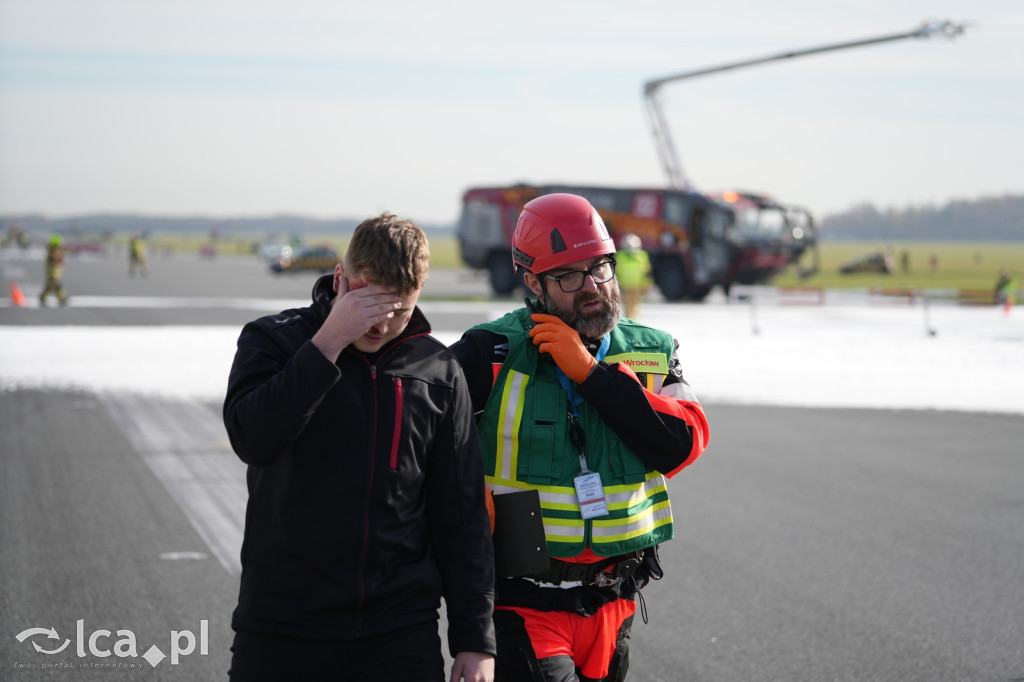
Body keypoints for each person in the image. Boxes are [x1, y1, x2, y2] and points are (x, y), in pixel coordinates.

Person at [223, 213, 496, 682]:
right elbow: (253, 438)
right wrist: (328, 342)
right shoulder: (273, 341)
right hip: (284, 622)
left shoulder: (437, 370)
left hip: (398, 629)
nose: (381, 324)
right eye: (369, 303)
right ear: (340, 280)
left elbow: (462, 513)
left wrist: (475, 640)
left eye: (400, 309)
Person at [450, 193, 710, 682]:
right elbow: (417, 441)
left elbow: (682, 443)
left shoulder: (652, 351)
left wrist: (592, 375)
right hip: (524, 605)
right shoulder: (490, 351)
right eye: (569, 275)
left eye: (600, 268)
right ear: (533, 283)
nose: (592, 286)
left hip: (614, 605)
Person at [614, 233, 653, 320]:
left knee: (635, 306)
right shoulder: (620, 256)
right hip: (625, 286)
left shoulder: (642, 256)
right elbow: (616, 272)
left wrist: (647, 285)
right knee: (627, 306)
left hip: (637, 286)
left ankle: (634, 321)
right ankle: (630, 321)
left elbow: (647, 272)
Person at [39, 234, 69, 306]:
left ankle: (43, 297)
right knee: (55, 284)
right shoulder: (53, 250)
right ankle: (61, 297)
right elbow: (55, 259)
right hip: (53, 270)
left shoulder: (53, 250)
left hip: (54, 270)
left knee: (50, 285)